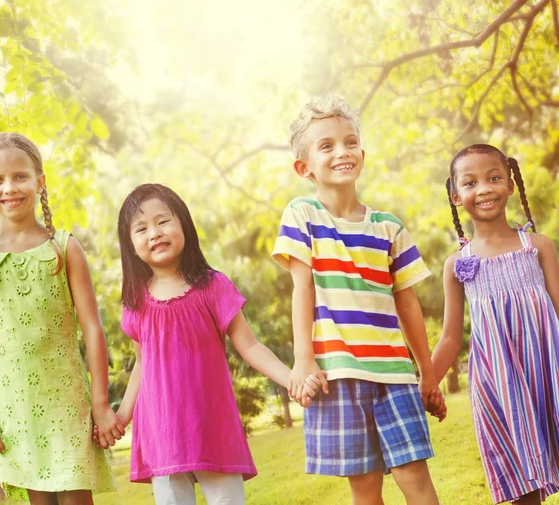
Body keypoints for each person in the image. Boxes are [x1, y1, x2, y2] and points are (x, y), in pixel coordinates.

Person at [271, 94, 444, 505]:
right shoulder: (303, 215)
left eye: (350, 142)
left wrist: (427, 372)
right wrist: (303, 359)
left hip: (395, 375)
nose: (342, 152)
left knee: (414, 475)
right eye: (326, 146)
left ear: (362, 154)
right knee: (365, 487)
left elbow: (408, 304)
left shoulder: (389, 227)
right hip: (338, 374)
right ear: (304, 167)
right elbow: (303, 288)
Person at [111, 183, 310, 505]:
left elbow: (250, 346)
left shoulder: (213, 286)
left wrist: (292, 380)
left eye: (163, 221)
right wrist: (121, 415)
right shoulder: (135, 303)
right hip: (162, 433)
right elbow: (143, 365)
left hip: (212, 425)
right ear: (131, 246)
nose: (154, 233)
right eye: (141, 228)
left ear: (184, 226)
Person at [0, 132, 123, 504]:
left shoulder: (64, 250)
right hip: (13, 412)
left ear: (39, 182)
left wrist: (100, 404)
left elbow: (93, 330)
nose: (9, 187)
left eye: (20, 176)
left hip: (66, 403)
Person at [431, 143, 559, 505]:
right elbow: (451, 336)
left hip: (549, 369)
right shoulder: (457, 264)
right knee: (521, 482)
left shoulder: (538, 246)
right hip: (499, 384)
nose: (484, 189)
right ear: (456, 196)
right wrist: (425, 382)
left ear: (510, 185)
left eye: (493, 178)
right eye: (470, 183)